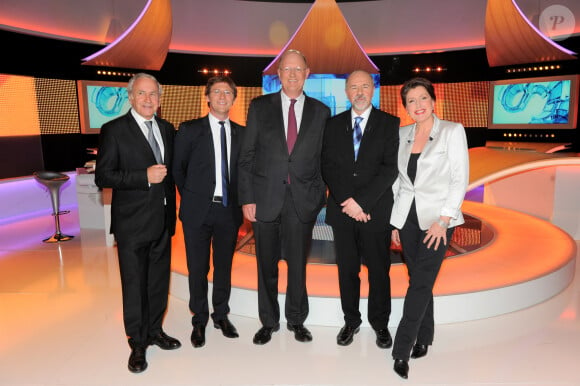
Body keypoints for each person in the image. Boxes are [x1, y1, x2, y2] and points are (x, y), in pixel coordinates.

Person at [238, 49, 331, 345]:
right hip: (265, 198)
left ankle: (296, 319)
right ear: (278, 75)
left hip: (302, 200)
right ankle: (268, 321)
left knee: (297, 265)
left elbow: (325, 160)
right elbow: (247, 157)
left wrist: (320, 195)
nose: (292, 74)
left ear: (307, 73)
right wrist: (247, 198)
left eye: (297, 70)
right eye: (286, 70)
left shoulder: (321, 111)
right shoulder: (259, 107)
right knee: (265, 264)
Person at [95, 73, 181, 373]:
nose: (148, 100)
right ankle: (138, 342)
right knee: (134, 286)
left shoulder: (167, 129)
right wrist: (142, 176)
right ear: (130, 97)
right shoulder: (114, 130)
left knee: (158, 283)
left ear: (160, 98)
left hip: (162, 222)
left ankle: (155, 330)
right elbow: (103, 176)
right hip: (132, 225)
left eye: (153, 94)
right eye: (142, 94)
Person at [390, 77, 469, 379]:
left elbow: (459, 179)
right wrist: (396, 222)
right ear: (406, 107)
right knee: (417, 277)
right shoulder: (402, 134)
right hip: (408, 219)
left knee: (420, 282)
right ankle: (425, 336)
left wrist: (444, 220)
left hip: (438, 220)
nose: (418, 105)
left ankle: (401, 349)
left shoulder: (451, 131)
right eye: (411, 101)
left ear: (433, 101)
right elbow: (400, 182)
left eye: (423, 98)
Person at [321, 70, 399, 348]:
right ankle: (350, 321)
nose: (360, 91)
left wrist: (362, 203)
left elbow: (389, 169)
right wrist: (348, 202)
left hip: (375, 211)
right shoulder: (332, 125)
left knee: (379, 271)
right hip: (343, 213)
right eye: (354, 87)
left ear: (373, 89)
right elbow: (328, 165)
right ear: (346, 91)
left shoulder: (390, 124)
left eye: (365, 86)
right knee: (347, 270)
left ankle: (380, 324)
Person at [172, 76, 244, 348]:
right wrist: (193, 196)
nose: (223, 96)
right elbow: (178, 169)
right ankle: (199, 319)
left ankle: (221, 315)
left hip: (229, 211)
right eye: (217, 92)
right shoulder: (189, 130)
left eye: (228, 92)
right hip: (197, 212)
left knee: (224, 267)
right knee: (197, 268)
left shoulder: (242, 132)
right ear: (208, 97)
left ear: (234, 99)